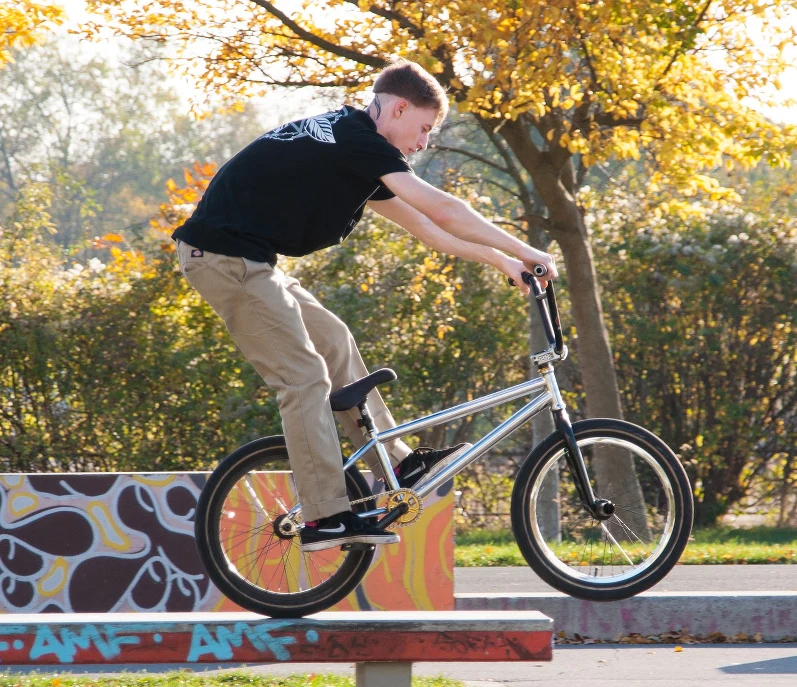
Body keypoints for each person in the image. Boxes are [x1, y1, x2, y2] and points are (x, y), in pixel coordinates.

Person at [173, 60, 558, 551]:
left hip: (251, 263)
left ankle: (394, 462)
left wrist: (503, 262)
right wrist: (527, 250)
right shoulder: (355, 139)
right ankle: (324, 518)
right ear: (398, 108)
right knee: (303, 377)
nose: (423, 144)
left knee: (334, 340)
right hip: (224, 259)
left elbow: (427, 228)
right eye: (423, 129)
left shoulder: (351, 145)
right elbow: (442, 208)